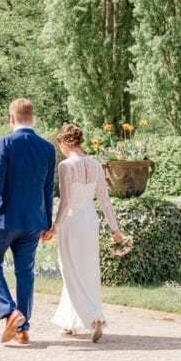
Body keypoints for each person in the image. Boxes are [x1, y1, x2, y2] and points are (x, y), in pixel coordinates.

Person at [0, 98, 56, 346]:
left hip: (5, 220)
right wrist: (47, 222)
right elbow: (47, 187)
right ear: (32, 118)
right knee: (25, 271)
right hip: (33, 221)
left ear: (11, 118)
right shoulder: (47, 148)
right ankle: (22, 330)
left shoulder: (5, 143)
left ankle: (10, 312)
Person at [51, 123, 123, 342]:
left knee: (70, 270)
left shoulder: (65, 166)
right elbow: (104, 200)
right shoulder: (95, 165)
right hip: (90, 220)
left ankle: (94, 318)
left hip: (71, 221)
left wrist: (55, 225)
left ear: (64, 142)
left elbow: (66, 202)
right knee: (87, 270)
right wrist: (115, 229)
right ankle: (70, 322)